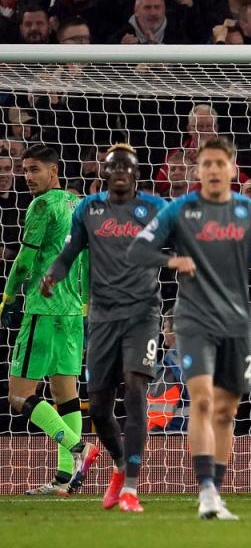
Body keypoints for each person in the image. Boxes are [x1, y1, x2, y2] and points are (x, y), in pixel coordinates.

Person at [128, 137, 251, 519]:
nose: (212, 170)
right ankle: (206, 491)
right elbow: (138, 250)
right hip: (194, 319)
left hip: (237, 322)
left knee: (226, 410)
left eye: (219, 163)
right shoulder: (180, 210)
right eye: (205, 163)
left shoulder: (249, 212)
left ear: (231, 169)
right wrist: (172, 260)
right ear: (198, 170)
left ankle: (217, 490)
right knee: (203, 399)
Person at [41, 144, 167, 513]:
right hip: (102, 317)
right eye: (114, 166)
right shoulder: (89, 209)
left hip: (142, 313)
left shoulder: (154, 210)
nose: (120, 172)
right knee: (98, 408)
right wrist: (53, 274)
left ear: (137, 172)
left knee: (136, 386)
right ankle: (118, 465)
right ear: (105, 172)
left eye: (127, 166)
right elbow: (69, 253)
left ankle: (131, 486)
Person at [1, 145, 97, 496]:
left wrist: (8, 297)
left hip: (43, 309)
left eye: (35, 170)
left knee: (18, 394)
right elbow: (86, 261)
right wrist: (85, 304)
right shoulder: (77, 205)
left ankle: (78, 448)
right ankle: (64, 480)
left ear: (53, 171)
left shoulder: (42, 205)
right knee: (65, 396)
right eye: (25, 170)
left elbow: (25, 260)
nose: (28, 177)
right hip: (72, 314)